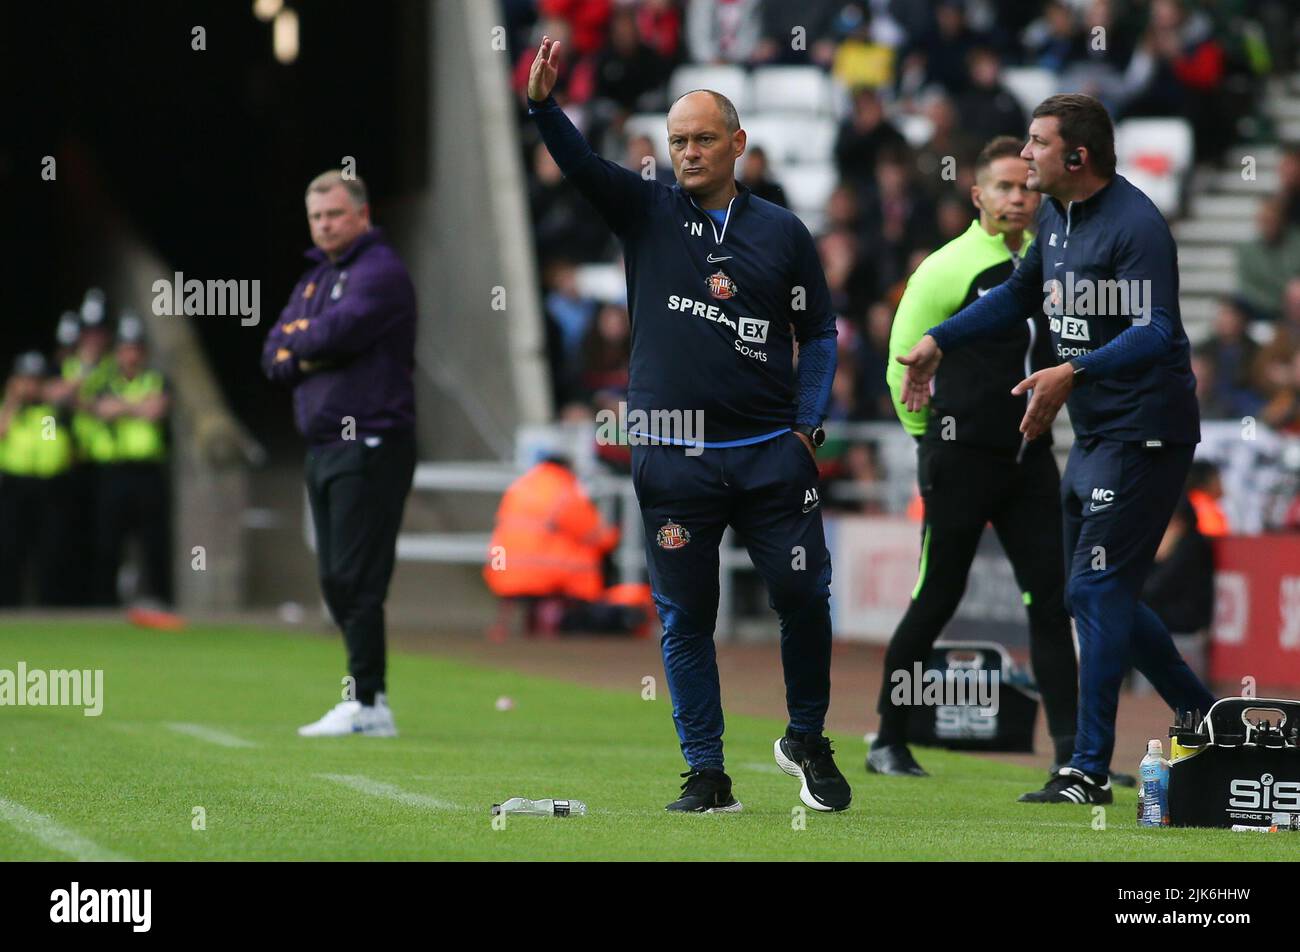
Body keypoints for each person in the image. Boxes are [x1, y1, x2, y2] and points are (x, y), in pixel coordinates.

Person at [527, 36, 851, 813]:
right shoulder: (644, 210)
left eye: (705, 139)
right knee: (685, 619)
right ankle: (707, 773)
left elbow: (823, 334)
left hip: (772, 454)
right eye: (678, 141)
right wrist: (543, 107)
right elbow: (580, 166)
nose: (690, 152)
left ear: (738, 144)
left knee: (803, 598)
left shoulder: (783, 233)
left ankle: (805, 736)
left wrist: (808, 426)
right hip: (673, 458)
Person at [899, 93, 1216, 804]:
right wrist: (939, 340)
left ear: (1076, 157)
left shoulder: (1135, 225)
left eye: (1038, 143)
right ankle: (1203, 716)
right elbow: (1018, 296)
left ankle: (1087, 769)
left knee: (1096, 590)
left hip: (1147, 428)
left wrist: (1074, 370)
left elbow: (1158, 329)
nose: (1025, 153)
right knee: (1091, 592)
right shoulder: (1056, 216)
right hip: (1099, 428)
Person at [873, 136, 1079, 781]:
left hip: (1029, 460)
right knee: (937, 594)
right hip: (960, 458)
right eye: (1004, 187)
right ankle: (888, 739)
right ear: (978, 196)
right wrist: (928, 440)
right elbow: (900, 362)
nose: (1019, 197)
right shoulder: (946, 267)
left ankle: (1075, 758)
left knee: (1050, 601)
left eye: (1027, 186)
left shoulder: (1052, 258)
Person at [262, 170, 417, 739]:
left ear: (362, 213)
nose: (325, 224)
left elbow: (332, 335)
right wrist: (306, 344)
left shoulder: (380, 272)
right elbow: (273, 354)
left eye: (334, 213)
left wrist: (305, 343)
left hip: (370, 441)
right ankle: (366, 700)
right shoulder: (314, 278)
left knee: (357, 577)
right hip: (326, 445)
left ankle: (369, 700)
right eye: (317, 216)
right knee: (335, 578)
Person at [90, 316, 173, 606]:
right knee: (108, 539)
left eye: (136, 348)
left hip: (148, 469)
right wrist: (136, 406)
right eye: (126, 348)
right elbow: (103, 410)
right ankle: (105, 602)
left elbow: (156, 411)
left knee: (154, 538)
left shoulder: (156, 379)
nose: (131, 355)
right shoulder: (105, 381)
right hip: (114, 469)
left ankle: (159, 599)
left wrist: (123, 408)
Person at [0, 352, 75, 605]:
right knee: (10, 548)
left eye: (36, 380)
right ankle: (8, 606)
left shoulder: (51, 412)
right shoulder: (8, 409)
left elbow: (54, 441)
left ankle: (48, 607)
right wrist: (12, 401)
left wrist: (50, 400)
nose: (30, 386)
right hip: (14, 485)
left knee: (49, 550)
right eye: (26, 379)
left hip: (48, 487)